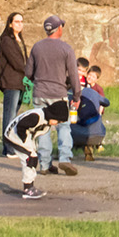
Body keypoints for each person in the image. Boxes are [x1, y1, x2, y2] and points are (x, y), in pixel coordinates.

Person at [27, 14, 82, 178]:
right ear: (59, 29)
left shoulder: (36, 47)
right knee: (63, 126)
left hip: (40, 94)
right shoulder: (66, 49)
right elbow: (74, 76)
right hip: (58, 94)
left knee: (43, 128)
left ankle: (45, 164)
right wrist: (77, 96)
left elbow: (28, 72)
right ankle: (65, 158)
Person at [3, 91, 73, 201]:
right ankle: (28, 189)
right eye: (58, 121)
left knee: (33, 157)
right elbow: (21, 126)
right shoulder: (36, 117)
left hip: (24, 135)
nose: (58, 123)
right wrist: (25, 144)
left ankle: (30, 185)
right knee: (30, 159)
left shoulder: (46, 119)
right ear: (53, 115)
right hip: (13, 135)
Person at [0, 11, 30, 157]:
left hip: (20, 82)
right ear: (10, 24)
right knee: (9, 115)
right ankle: (9, 148)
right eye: (16, 21)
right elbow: (16, 61)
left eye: (21, 21)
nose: (19, 24)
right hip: (11, 82)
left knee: (14, 115)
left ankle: (9, 147)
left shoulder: (19, 39)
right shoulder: (6, 40)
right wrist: (30, 71)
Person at [72, 62, 110, 161]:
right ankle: (83, 148)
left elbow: (103, 100)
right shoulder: (84, 84)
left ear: (97, 79)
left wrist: (100, 109)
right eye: (89, 75)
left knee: (91, 127)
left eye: (93, 76)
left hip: (94, 112)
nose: (90, 77)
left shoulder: (98, 89)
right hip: (82, 110)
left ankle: (92, 148)